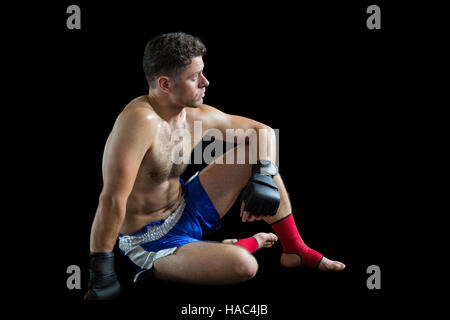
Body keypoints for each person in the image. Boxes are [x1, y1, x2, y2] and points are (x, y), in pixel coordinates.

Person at [84, 32, 345, 300]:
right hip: (151, 241)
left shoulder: (195, 116)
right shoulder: (140, 122)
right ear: (165, 83)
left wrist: (264, 176)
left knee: (255, 157)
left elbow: (262, 131)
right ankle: (238, 246)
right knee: (244, 265)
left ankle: (294, 250)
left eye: (203, 73)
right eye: (194, 77)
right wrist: (101, 272)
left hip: (187, 206)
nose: (205, 82)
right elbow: (113, 199)